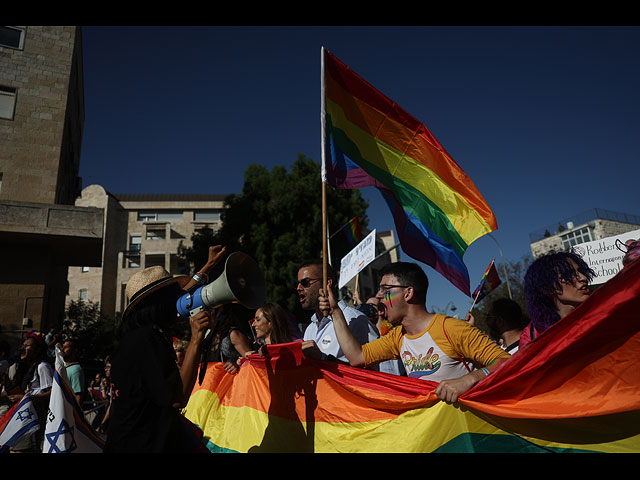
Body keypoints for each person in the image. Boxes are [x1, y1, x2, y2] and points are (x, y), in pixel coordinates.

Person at [318, 262, 511, 403]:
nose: (378, 296)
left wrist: (469, 379)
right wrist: (336, 310)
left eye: (386, 289)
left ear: (408, 293)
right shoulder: (397, 336)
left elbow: (508, 362)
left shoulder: (452, 329)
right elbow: (357, 357)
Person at [103, 245, 226, 453]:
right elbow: (177, 398)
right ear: (159, 303)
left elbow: (183, 294)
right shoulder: (149, 339)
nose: (177, 302)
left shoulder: (133, 339)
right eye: (172, 296)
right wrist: (196, 340)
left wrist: (209, 266)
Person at [298, 259, 379, 364]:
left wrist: (323, 358)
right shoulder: (310, 329)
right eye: (298, 283)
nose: (299, 288)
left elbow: (374, 371)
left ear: (327, 283)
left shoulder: (356, 320)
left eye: (305, 282)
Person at [520, 251, 595, 349]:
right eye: (570, 274)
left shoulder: (599, 313)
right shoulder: (532, 337)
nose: (584, 278)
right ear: (548, 287)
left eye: (581, 271)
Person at [6, 331, 54, 451]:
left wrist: (27, 398)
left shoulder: (42, 367)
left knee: (26, 448)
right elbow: (15, 390)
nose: (23, 348)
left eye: (27, 345)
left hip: (35, 415)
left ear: (37, 350)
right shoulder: (22, 368)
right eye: (23, 345)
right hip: (21, 414)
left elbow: (52, 393)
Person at [61, 337, 85, 406]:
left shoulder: (76, 370)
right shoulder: (62, 367)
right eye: (62, 347)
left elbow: (78, 397)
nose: (62, 350)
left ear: (75, 350)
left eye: (66, 347)